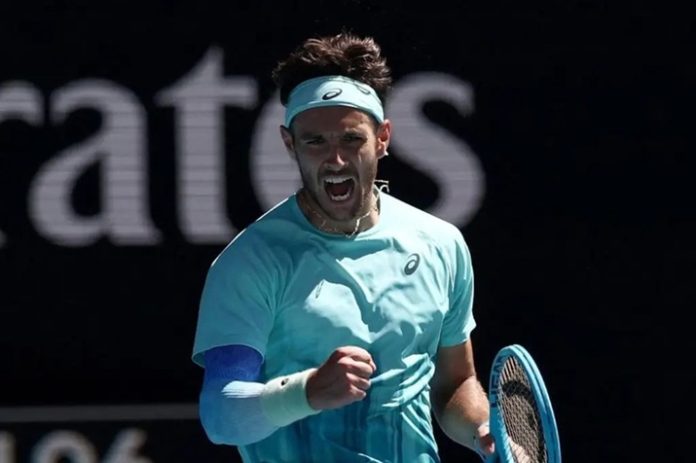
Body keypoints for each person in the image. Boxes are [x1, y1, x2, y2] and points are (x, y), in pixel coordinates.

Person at [191, 32, 495, 462]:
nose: (335, 159)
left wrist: (482, 431)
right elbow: (221, 415)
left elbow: (454, 383)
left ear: (383, 138)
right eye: (315, 141)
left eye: (351, 139)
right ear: (289, 144)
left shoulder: (441, 244)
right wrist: (308, 392)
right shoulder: (250, 262)